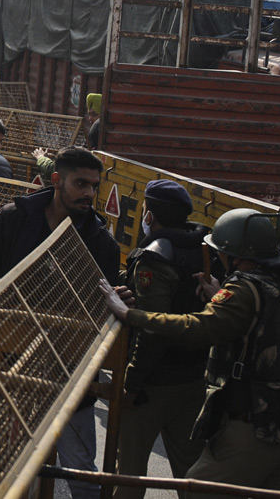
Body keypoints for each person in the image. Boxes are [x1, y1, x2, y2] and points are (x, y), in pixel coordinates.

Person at [0, 147, 121, 499]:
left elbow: (106, 301)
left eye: (94, 186)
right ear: (56, 180)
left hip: (71, 371)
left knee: (80, 470)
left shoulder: (99, 241)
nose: (88, 194)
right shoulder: (14, 218)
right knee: (4, 465)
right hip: (7, 367)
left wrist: (118, 301)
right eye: (80, 183)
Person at [102, 207, 280, 497]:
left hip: (252, 424)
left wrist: (130, 314)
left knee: (198, 489)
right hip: (273, 421)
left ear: (234, 255)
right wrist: (221, 298)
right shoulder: (269, 284)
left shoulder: (243, 290)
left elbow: (196, 327)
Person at [112, 180, 210, 499]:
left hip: (154, 383)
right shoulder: (205, 249)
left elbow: (154, 328)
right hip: (194, 376)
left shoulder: (155, 257)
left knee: (128, 473)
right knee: (192, 472)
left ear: (150, 215)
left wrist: (133, 381)